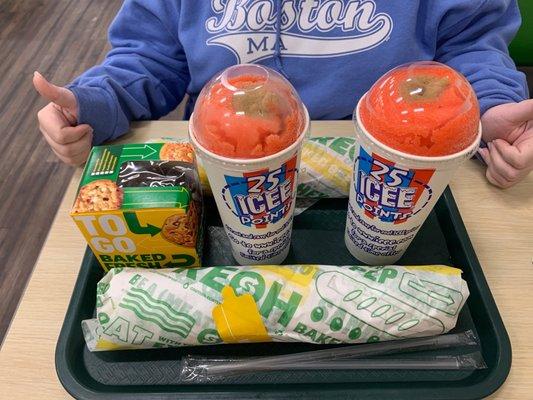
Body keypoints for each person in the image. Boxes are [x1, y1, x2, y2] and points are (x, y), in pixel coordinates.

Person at [34, 0, 532, 188]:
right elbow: (152, 57)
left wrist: (488, 110)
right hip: (225, 166)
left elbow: (470, 46)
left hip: (398, 165)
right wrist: (95, 103)